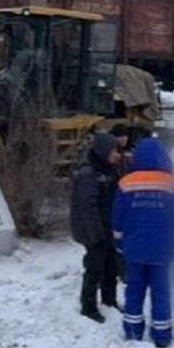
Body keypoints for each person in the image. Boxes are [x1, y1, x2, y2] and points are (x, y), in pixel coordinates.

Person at [113, 138, 174, 348]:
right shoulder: (172, 183)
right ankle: (162, 334)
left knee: (134, 289)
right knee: (161, 291)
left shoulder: (126, 183)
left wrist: (119, 243)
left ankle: (133, 331)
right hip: (162, 249)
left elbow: (118, 216)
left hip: (134, 248)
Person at [71, 131, 123, 323]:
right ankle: (88, 306)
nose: (118, 154)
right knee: (94, 268)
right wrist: (96, 236)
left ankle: (109, 300)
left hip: (107, 227)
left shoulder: (108, 169)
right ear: (103, 151)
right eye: (114, 151)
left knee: (111, 266)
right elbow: (87, 208)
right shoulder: (88, 173)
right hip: (92, 230)